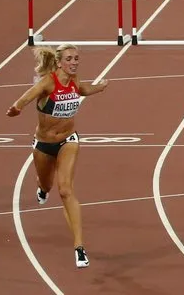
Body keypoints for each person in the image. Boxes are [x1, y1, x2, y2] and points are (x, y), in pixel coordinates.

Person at [6, 44, 108, 268]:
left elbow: (82, 90)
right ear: (60, 62)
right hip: (43, 144)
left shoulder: (74, 80)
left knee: (65, 190)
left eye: (77, 58)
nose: (75, 62)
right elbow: (27, 97)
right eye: (70, 58)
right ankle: (42, 188)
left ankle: (79, 248)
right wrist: (16, 108)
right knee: (47, 183)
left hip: (68, 140)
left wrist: (99, 88)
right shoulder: (48, 82)